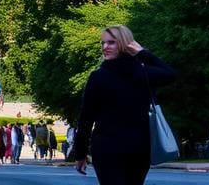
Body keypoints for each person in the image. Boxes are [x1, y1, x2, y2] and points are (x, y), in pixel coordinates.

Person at [73, 24, 176, 185]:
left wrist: (79, 154)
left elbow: (171, 75)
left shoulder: (135, 74)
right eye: (103, 43)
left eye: (111, 42)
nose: (105, 47)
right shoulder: (140, 73)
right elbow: (86, 118)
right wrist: (144, 54)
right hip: (128, 147)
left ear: (124, 44)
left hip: (124, 148)